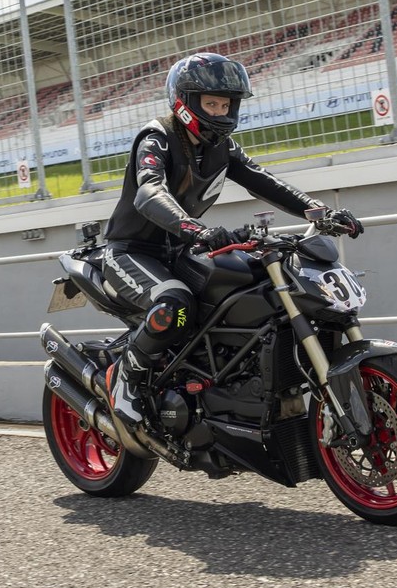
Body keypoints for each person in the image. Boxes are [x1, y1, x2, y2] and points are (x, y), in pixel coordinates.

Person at [101, 51, 363, 430]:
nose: (221, 112)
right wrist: (198, 230)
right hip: (132, 251)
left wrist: (319, 212)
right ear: (186, 102)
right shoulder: (157, 137)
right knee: (175, 305)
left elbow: (262, 180)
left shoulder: (220, 146)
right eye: (212, 104)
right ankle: (125, 378)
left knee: (247, 287)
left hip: (181, 249)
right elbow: (149, 192)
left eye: (226, 105)